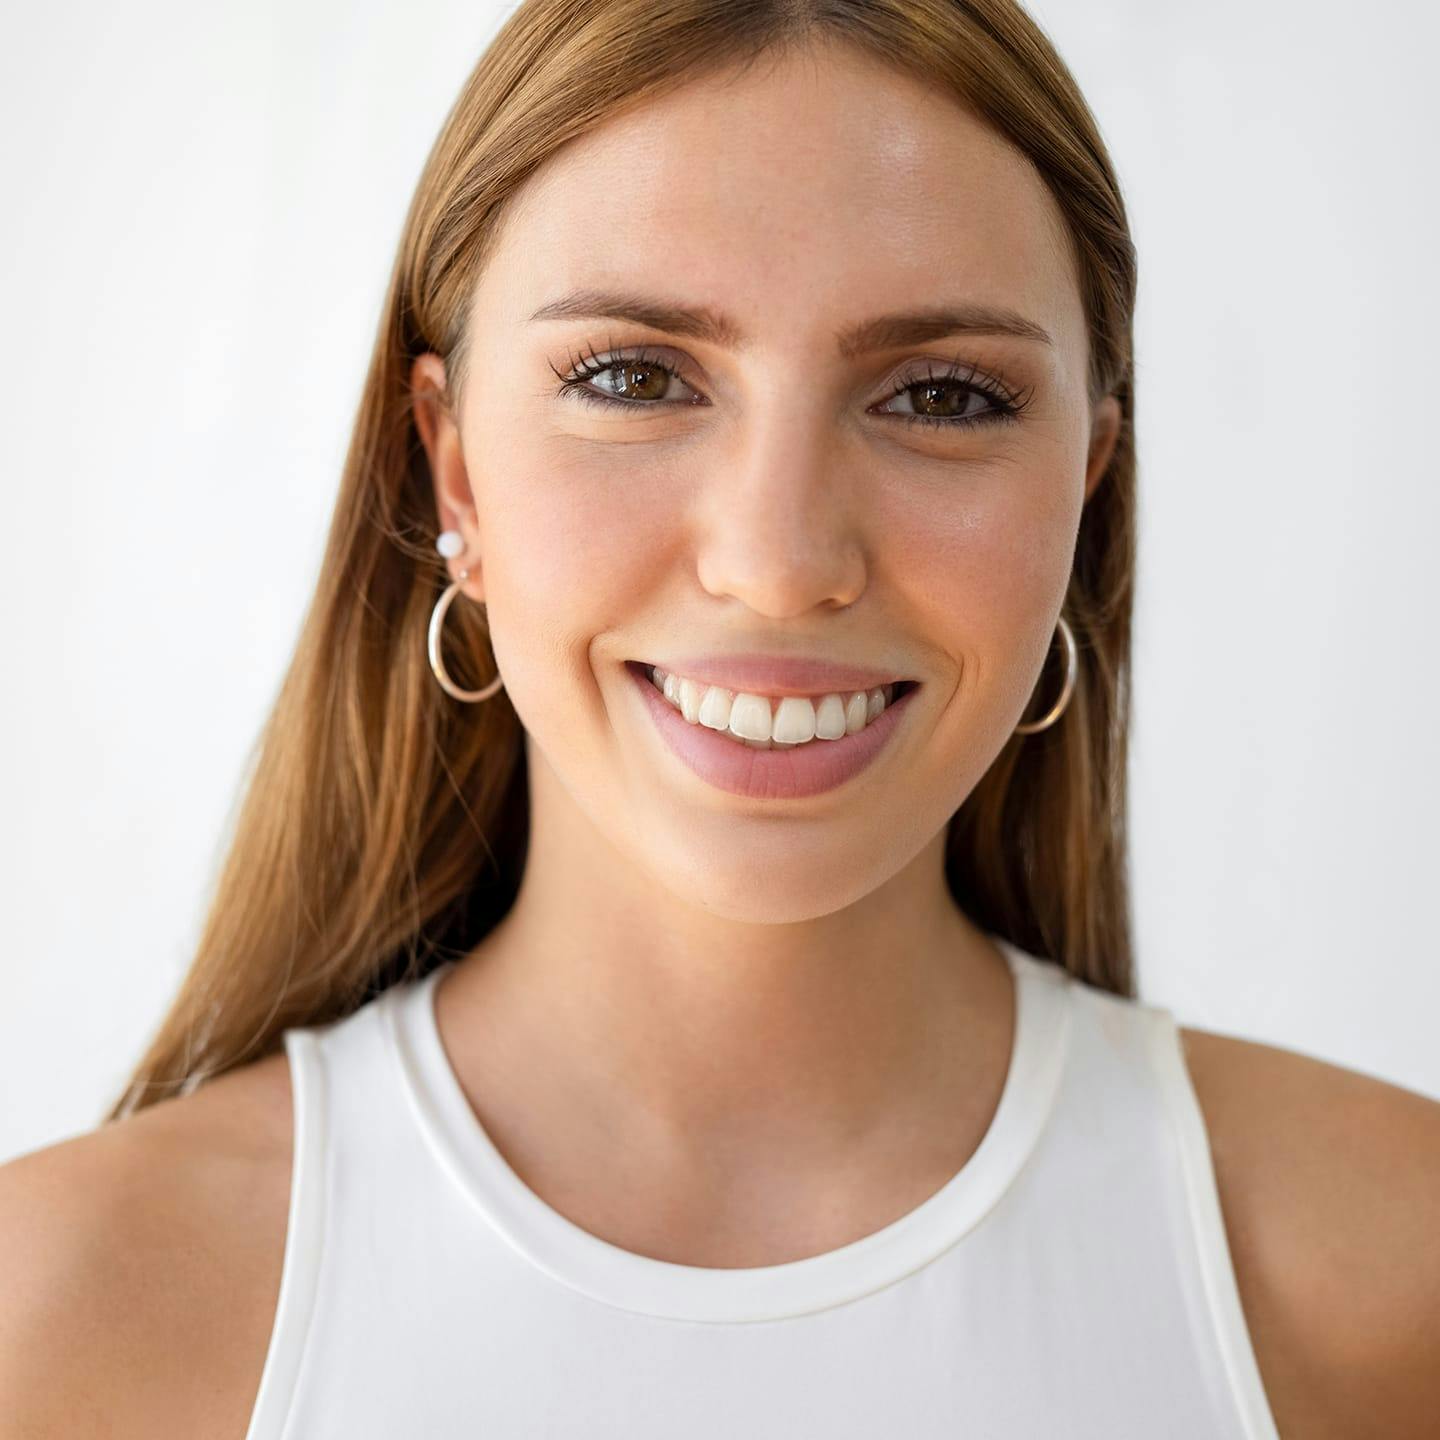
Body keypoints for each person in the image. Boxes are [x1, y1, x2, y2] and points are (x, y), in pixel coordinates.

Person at [3, 2, 1437, 1435]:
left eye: (943, 395)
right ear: (455, 476)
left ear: (1085, 488)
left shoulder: (1392, 1274)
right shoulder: (62, 1315)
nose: (779, 560)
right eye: (633, 377)